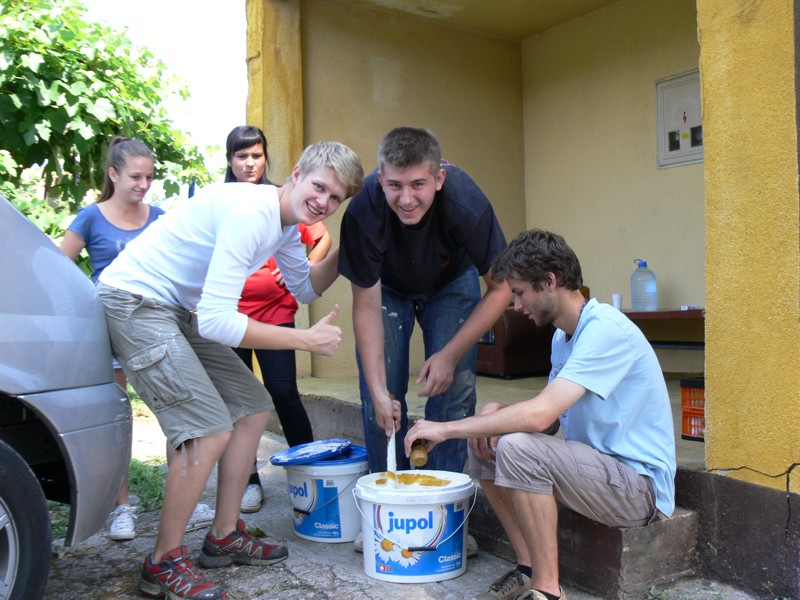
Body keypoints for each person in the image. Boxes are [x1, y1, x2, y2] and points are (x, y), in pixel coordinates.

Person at [97, 141, 363, 600]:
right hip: (135, 302)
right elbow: (220, 322)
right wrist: (303, 340)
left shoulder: (283, 225)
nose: (324, 202)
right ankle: (162, 562)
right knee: (206, 428)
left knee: (253, 406)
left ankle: (222, 536)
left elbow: (302, 287)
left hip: (177, 309)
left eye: (336, 198)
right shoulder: (251, 213)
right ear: (296, 174)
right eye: (320, 187)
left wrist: (347, 248)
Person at [403, 229, 677, 600]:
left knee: (515, 445)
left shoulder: (605, 330)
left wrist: (446, 428)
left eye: (519, 293)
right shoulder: (562, 337)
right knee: (486, 440)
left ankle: (548, 591)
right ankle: (528, 568)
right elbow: (550, 421)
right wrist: (497, 413)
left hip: (637, 488)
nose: (515, 305)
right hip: (597, 471)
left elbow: (538, 417)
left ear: (550, 281)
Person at [59, 136, 214, 542]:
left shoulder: (160, 216)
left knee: (177, 417)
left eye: (149, 177)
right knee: (118, 421)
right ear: (113, 174)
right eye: (135, 176)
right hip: (108, 328)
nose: (144, 184)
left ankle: (182, 498)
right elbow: (60, 265)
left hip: (158, 327)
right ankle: (120, 508)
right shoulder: (90, 217)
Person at [338, 126, 512, 476]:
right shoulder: (362, 212)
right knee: (381, 395)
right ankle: (388, 493)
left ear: (438, 178)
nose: (406, 199)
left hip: (452, 280)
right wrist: (376, 390)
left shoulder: (466, 201)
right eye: (395, 186)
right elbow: (366, 307)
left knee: (455, 389)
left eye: (418, 184)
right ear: (380, 178)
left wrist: (450, 356)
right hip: (385, 288)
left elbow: (503, 287)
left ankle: (444, 498)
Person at [224, 125, 330, 512]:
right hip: (230, 318)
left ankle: (312, 475)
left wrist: (298, 272)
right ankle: (248, 481)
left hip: (274, 315)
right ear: (230, 160)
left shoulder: (282, 199)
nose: (249, 163)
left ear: (266, 158)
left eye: (256, 155)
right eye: (241, 155)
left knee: (283, 392)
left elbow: (320, 238)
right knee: (239, 401)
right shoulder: (225, 199)